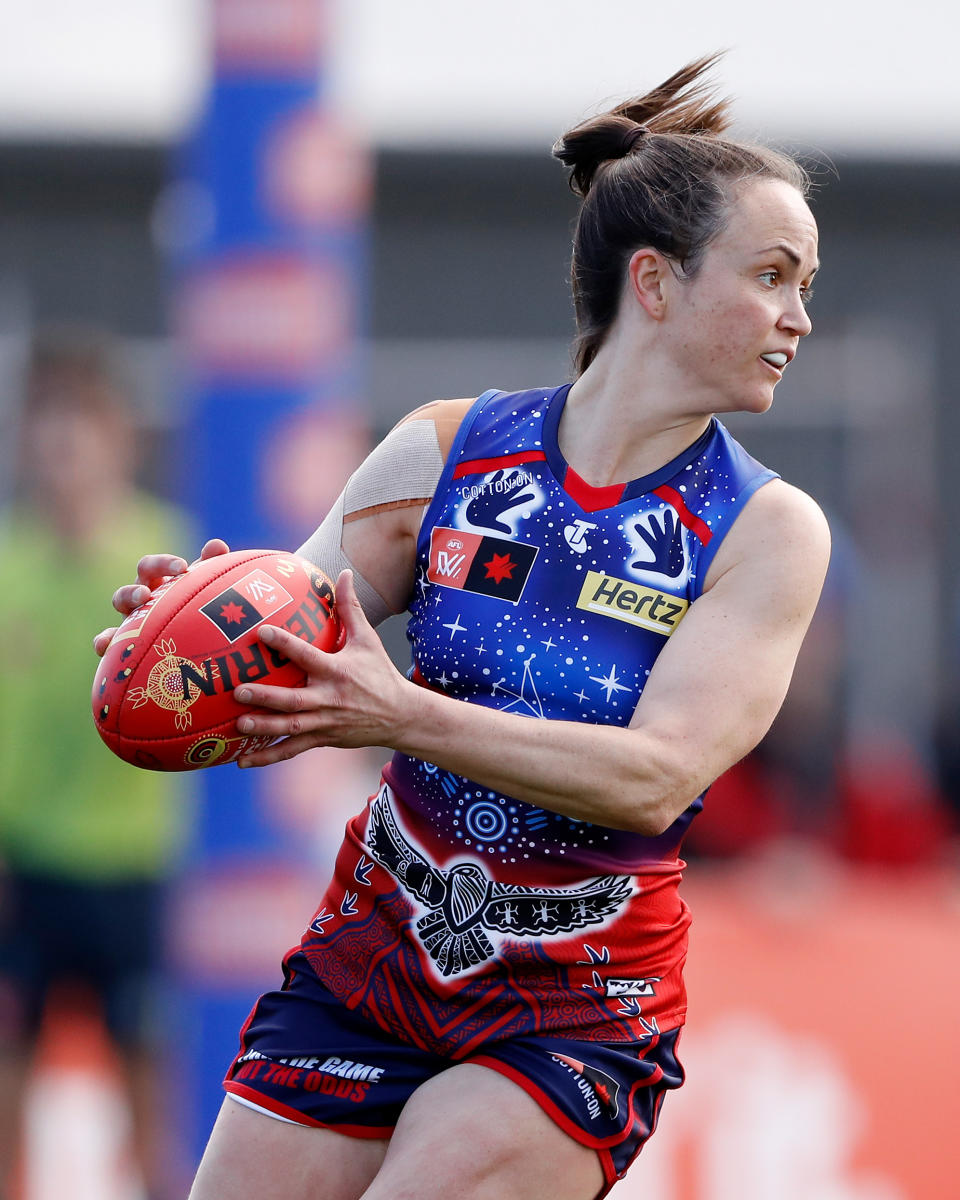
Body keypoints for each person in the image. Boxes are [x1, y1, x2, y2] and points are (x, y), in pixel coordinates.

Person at [95, 56, 830, 1200]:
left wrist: (402, 714)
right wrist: (194, 648)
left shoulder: (765, 530)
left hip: (576, 998)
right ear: (656, 283)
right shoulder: (446, 452)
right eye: (774, 276)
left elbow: (654, 778)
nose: (799, 317)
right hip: (371, 952)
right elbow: (293, 636)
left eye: (806, 284)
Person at [0, 329, 190, 1200]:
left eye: (82, 423)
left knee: (150, 1095)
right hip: (25, 873)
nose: (63, 446)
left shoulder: (166, 563)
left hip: (132, 872)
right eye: (49, 423)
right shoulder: (9, 570)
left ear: (119, 437)